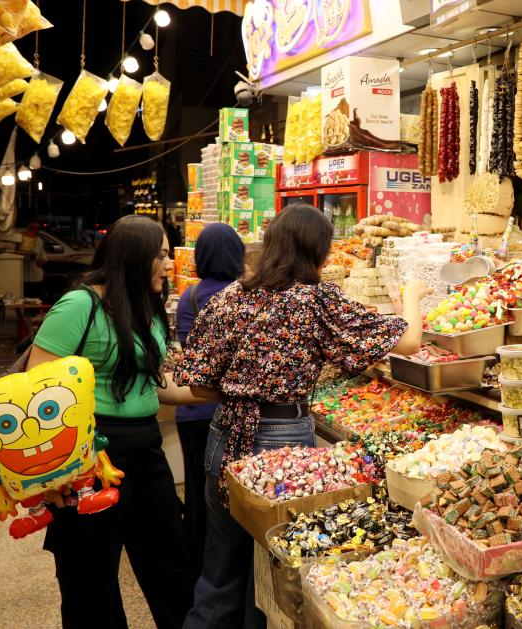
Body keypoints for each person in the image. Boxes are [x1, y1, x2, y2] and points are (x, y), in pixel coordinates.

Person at [177, 204, 428, 629]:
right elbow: (408, 343)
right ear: (319, 252)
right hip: (283, 442)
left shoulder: (228, 298)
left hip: (225, 435)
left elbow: (198, 386)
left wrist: (246, 389)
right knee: (280, 575)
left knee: (219, 574)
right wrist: (412, 296)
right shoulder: (315, 300)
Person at [24, 215, 211, 628]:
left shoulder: (146, 307)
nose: (170, 264)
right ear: (133, 257)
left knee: (172, 568)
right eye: (161, 254)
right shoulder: (79, 306)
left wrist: (219, 390)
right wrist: (52, 475)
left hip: (146, 451)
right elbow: (38, 392)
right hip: (89, 457)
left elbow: (154, 387)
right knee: (91, 582)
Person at [174, 223, 245, 576]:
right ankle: (225, 568)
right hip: (231, 410)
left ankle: (193, 563)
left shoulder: (188, 298)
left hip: (191, 409)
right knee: (230, 494)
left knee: (196, 491)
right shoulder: (245, 296)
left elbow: (188, 352)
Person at [19, 221, 47, 298]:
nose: (35, 230)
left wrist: (42, 261)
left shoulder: (39, 241)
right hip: (22, 276)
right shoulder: (20, 238)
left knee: (35, 299)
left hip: (36, 277)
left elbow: (42, 256)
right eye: (33, 227)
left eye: (37, 228)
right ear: (28, 228)